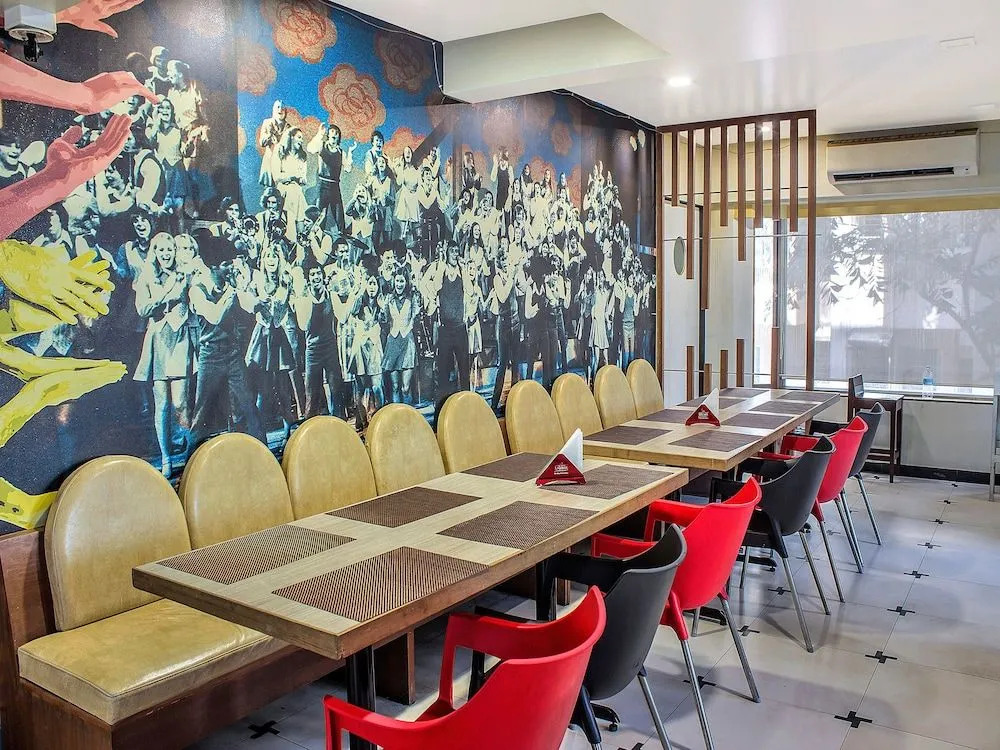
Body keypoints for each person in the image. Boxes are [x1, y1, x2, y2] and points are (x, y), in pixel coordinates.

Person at [188, 233, 264, 449]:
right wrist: (231, 294)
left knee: (248, 406)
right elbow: (215, 316)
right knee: (202, 412)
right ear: (213, 267)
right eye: (226, 264)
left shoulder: (231, 287)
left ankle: (262, 454)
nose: (231, 268)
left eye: (231, 263)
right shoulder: (197, 290)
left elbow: (249, 303)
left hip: (232, 354)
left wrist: (262, 300)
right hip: (210, 356)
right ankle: (190, 460)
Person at [133, 233, 191, 476]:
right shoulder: (146, 276)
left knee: (180, 402)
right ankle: (166, 459)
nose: (166, 254)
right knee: (162, 404)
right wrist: (165, 292)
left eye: (170, 249)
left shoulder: (184, 272)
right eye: (161, 250)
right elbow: (142, 308)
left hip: (179, 338)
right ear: (154, 253)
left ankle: (189, 453)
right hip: (157, 341)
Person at [294, 259, 352, 420]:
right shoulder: (304, 299)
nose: (316, 277)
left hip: (330, 350)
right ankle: (310, 429)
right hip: (313, 352)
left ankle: (340, 425)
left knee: (336, 390)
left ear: (322, 275)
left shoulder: (331, 295)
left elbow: (343, 317)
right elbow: (303, 326)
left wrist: (353, 294)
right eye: (312, 274)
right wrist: (304, 300)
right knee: (312, 395)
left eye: (318, 273)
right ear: (308, 279)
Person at [308, 123, 356, 234]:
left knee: (339, 217)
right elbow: (310, 148)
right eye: (332, 132)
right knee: (319, 216)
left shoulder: (341, 152)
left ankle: (342, 239)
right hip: (322, 186)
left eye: (337, 133)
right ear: (328, 134)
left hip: (335, 187)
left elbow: (348, 168)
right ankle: (315, 238)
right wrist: (319, 134)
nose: (335, 134)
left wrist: (350, 153)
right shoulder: (321, 146)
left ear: (339, 137)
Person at [381, 264, 417, 404]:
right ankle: (397, 414)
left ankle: (408, 414)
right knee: (395, 387)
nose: (399, 284)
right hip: (393, 342)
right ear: (393, 281)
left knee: (405, 388)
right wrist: (382, 310)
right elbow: (384, 319)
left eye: (402, 281)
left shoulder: (412, 298)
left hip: (407, 342)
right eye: (397, 281)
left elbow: (414, 319)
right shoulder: (389, 298)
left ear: (406, 282)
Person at [275, 127, 308, 241]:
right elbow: (277, 176)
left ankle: (299, 242)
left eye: (302, 138)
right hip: (283, 191)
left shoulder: (302, 157)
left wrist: (302, 179)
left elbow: (303, 177)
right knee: (283, 219)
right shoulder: (281, 153)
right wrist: (290, 177)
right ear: (291, 137)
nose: (301, 140)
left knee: (300, 216)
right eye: (299, 137)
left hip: (296, 191)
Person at [258, 100, 287, 188]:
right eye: (278, 107)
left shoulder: (288, 127)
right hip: (269, 161)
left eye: (282, 108)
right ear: (274, 109)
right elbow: (262, 142)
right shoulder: (267, 123)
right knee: (269, 190)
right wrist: (269, 135)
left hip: (283, 164)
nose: (280, 110)